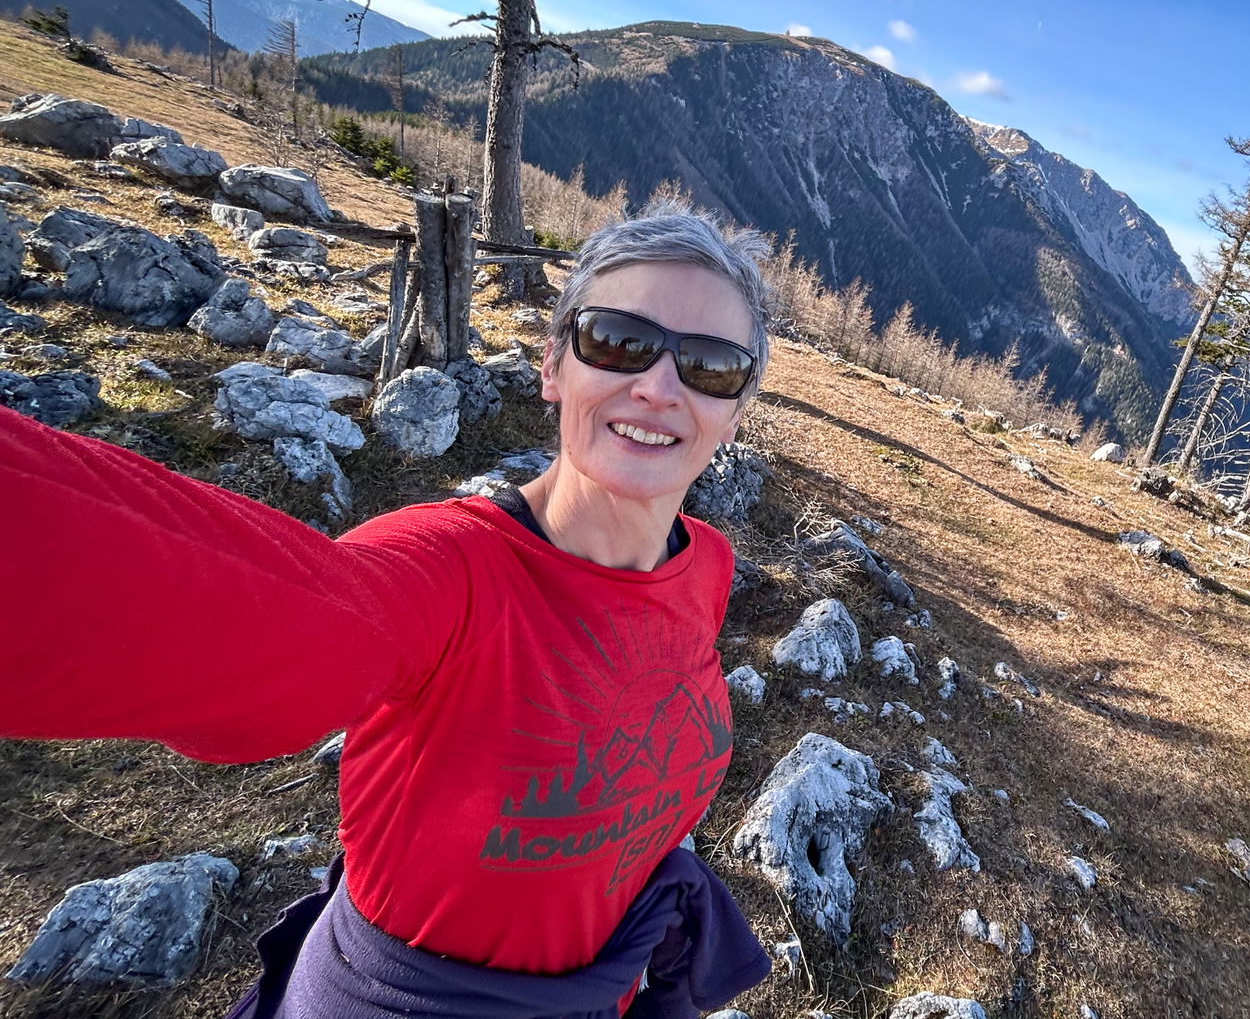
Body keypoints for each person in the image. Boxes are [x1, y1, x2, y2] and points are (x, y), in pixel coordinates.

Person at [0, 202, 776, 1017]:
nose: (657, 387)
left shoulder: (704, 565)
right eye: (618, 341)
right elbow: (219, 606)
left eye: (710, 367)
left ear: (733, 414)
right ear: (553, 366)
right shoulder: (444, 573)